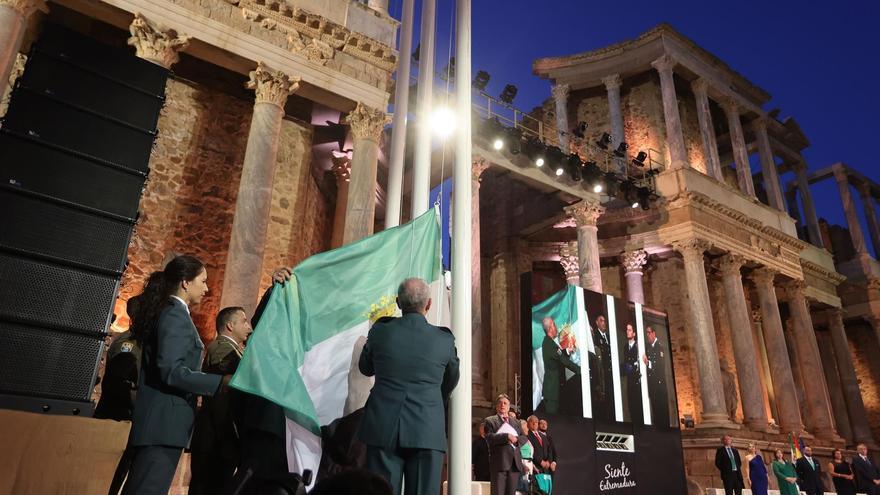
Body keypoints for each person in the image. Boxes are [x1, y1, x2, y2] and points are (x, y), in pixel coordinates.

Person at [122, 255, 230, 495]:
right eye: (202, 281)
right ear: (185, 283)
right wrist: (219, 383)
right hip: (162, 425)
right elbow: (171, 370)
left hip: (164, 425)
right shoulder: (175, 315)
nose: (206, 288)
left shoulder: (174, 313)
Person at [357, 278, 460, 495]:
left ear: (398, 302)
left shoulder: (380, 331)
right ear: (429, 304)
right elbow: (451, 380)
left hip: (383, 425)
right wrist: (429, 397)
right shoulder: (444, 339)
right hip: (427, 427)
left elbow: (365, 368)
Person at [189, 306, 253, 495]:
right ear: (230, 326)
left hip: (221, 435)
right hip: (215, 436)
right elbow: (230, 381)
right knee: (209, 486)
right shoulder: (222, 348)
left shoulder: (233, 349)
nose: (249, 327)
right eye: (244, 321)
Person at [100, 296, 142, 495]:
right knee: (110, 478)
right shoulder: (129, 344)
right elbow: (120, 385)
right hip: (119, 418)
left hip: (126, 419)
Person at [484, 394, 528, 495]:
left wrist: (516, 439)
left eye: (505, 403)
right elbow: (489, 437)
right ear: (496, 406)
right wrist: (506, 436)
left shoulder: (516, 422)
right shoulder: (490, 421)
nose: (502, 405)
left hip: (514, 464)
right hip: (500, 463)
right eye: (500, 403)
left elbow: (524, 437)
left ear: (509, 407)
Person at [541, 317, 580, 414]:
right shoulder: (549, 344)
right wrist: (581, 370)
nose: (557, 328)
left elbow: (558, 357)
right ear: (551, 327)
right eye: (555, 325)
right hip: (552, 393)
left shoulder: (549, 343)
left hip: (554, 391)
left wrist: (567, 351)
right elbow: (563, 361)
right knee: (553, 421)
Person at [641, 325, 670, 427]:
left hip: (659, 387)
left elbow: (659, 366)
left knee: (662, 412)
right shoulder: (649, 347)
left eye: (649, 333)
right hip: (653, 386)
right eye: (646, 333)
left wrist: (648, 362)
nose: (647, 335)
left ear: (654, 333)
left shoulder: (659, 347)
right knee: (656, 412)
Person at [591, 315, 613, 421]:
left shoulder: (609, 337)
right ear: (597, 323)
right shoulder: (595, 337)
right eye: (601, 321)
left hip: (610, 375)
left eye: (605, 321)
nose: (604, 323)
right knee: (604, 403)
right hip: (602, 375)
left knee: (611, 401)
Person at [620, 323, 642, 424]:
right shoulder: (625, 347)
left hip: (637, 382)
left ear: (634, 333)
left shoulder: (638, 346)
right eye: (627, 330)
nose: (627, 332)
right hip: (629, 381)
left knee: (638, 408)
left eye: (629, 330)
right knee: (631, 407)